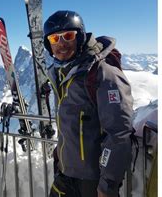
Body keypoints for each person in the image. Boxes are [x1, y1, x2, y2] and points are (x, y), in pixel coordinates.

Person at [43, 10, 133, 197]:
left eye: (68, 36)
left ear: (81, 37)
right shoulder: (61, 74)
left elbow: (119, 133)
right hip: (65, 176)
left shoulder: (103, 74)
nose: (61, 44)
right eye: (54, 39)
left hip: (93, 183)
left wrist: (107, 185)